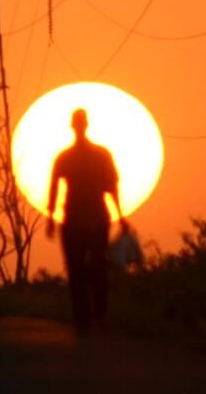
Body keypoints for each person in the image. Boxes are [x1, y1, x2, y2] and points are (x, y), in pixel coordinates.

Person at [46, 109, 127, 332]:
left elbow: (112, 187)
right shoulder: (82, 156)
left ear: (76, 126)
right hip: (81, 220)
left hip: (88, 220)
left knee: (88, 270)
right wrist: (51, 218)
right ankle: (89, 319)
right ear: (82, 125)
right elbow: (55, 188)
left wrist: (120, 215)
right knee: (84, 270)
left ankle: (92, 318)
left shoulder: (91, 155)